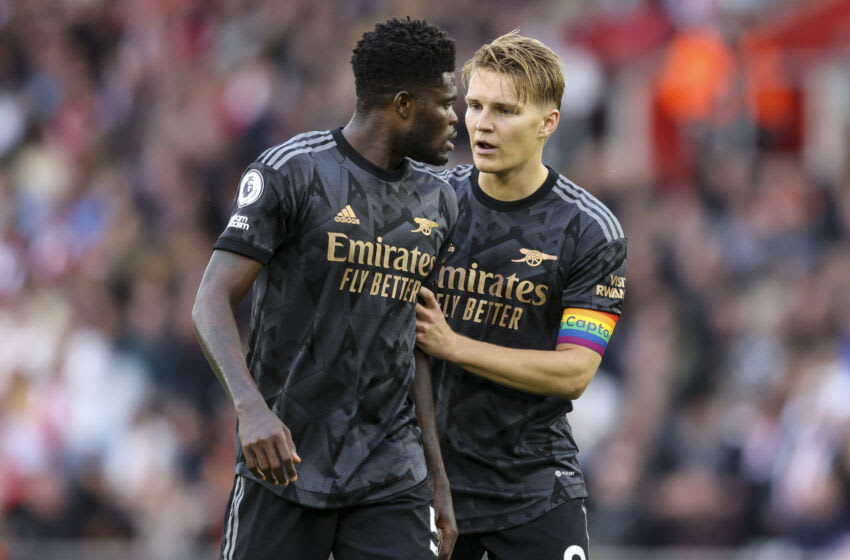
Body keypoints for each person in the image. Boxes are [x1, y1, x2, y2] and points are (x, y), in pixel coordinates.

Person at [192, 18, 459, 560]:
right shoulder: (293, 172)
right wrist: (252, 410)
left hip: (390, 473)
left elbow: (420, 344)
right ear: (404, 105)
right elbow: (210, 301)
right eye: (446, 102)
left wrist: (437, 473)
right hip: (284, 462)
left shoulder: (441, 199)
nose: (456, 118)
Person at [415, 31, 627, 560]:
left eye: (505, 110)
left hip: (535, 485)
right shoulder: (427, 204)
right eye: (475, 106)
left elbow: (575, 371)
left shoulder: (589, 230)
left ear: (548, 122)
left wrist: (454, 345)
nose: (482, 124)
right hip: (430, 484)